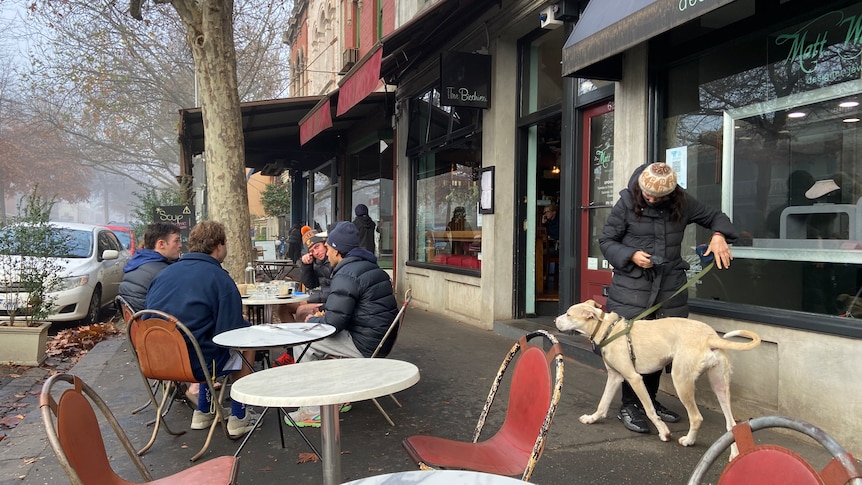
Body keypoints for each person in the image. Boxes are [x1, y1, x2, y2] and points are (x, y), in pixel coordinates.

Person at [599, 162, 738, 434]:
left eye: (657, 196)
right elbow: (606, 241)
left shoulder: (683, 202)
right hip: (632, 287)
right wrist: (631, 256)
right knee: (630, 349)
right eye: (647, 193)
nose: (650, 198)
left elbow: (715, 217)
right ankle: (629, 406)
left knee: (660, 349)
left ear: (671, 194)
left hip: (668, 286)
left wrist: (720, 235)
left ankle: (650, 401)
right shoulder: (627, 203)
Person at [145, 221, 259, 438]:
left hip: (158, 360)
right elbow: (231, 333)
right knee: (245, 341)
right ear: (219, 246)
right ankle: (239, 416)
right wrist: (244, 323)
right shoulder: (220, 279)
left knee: (199, 338)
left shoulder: (163, 275)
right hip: (198, 363)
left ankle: (203, 411)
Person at [286, 221, 397, 427]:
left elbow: (333, 324)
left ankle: (313, 410)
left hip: (366, 343)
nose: (326, 253)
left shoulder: (347, 273)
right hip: (380, 338)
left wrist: (315, 319)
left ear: (337, 251)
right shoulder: (368, 266)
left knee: (305, 341)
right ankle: (334, 397)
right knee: (315, 337)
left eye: (327, 247)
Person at [118, 222, 182, 312]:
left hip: (135, 323)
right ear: (161, 244)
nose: (180, 245)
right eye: (176, 241)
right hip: (156, 323)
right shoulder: (165, 271)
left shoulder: (134, 263)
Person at [276, 225, 331, 324]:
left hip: (330, 301)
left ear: (325, 244)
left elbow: (334, 292)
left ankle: (304, 337)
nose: (316, 252)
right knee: (283, 308)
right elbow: (310, 284)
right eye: (312, 251)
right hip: (322, 297)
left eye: (317, 247)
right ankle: (295, 337)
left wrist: (309, 300)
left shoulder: (333, 260)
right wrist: (307, 266)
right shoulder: (318, 262)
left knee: (301, 311)